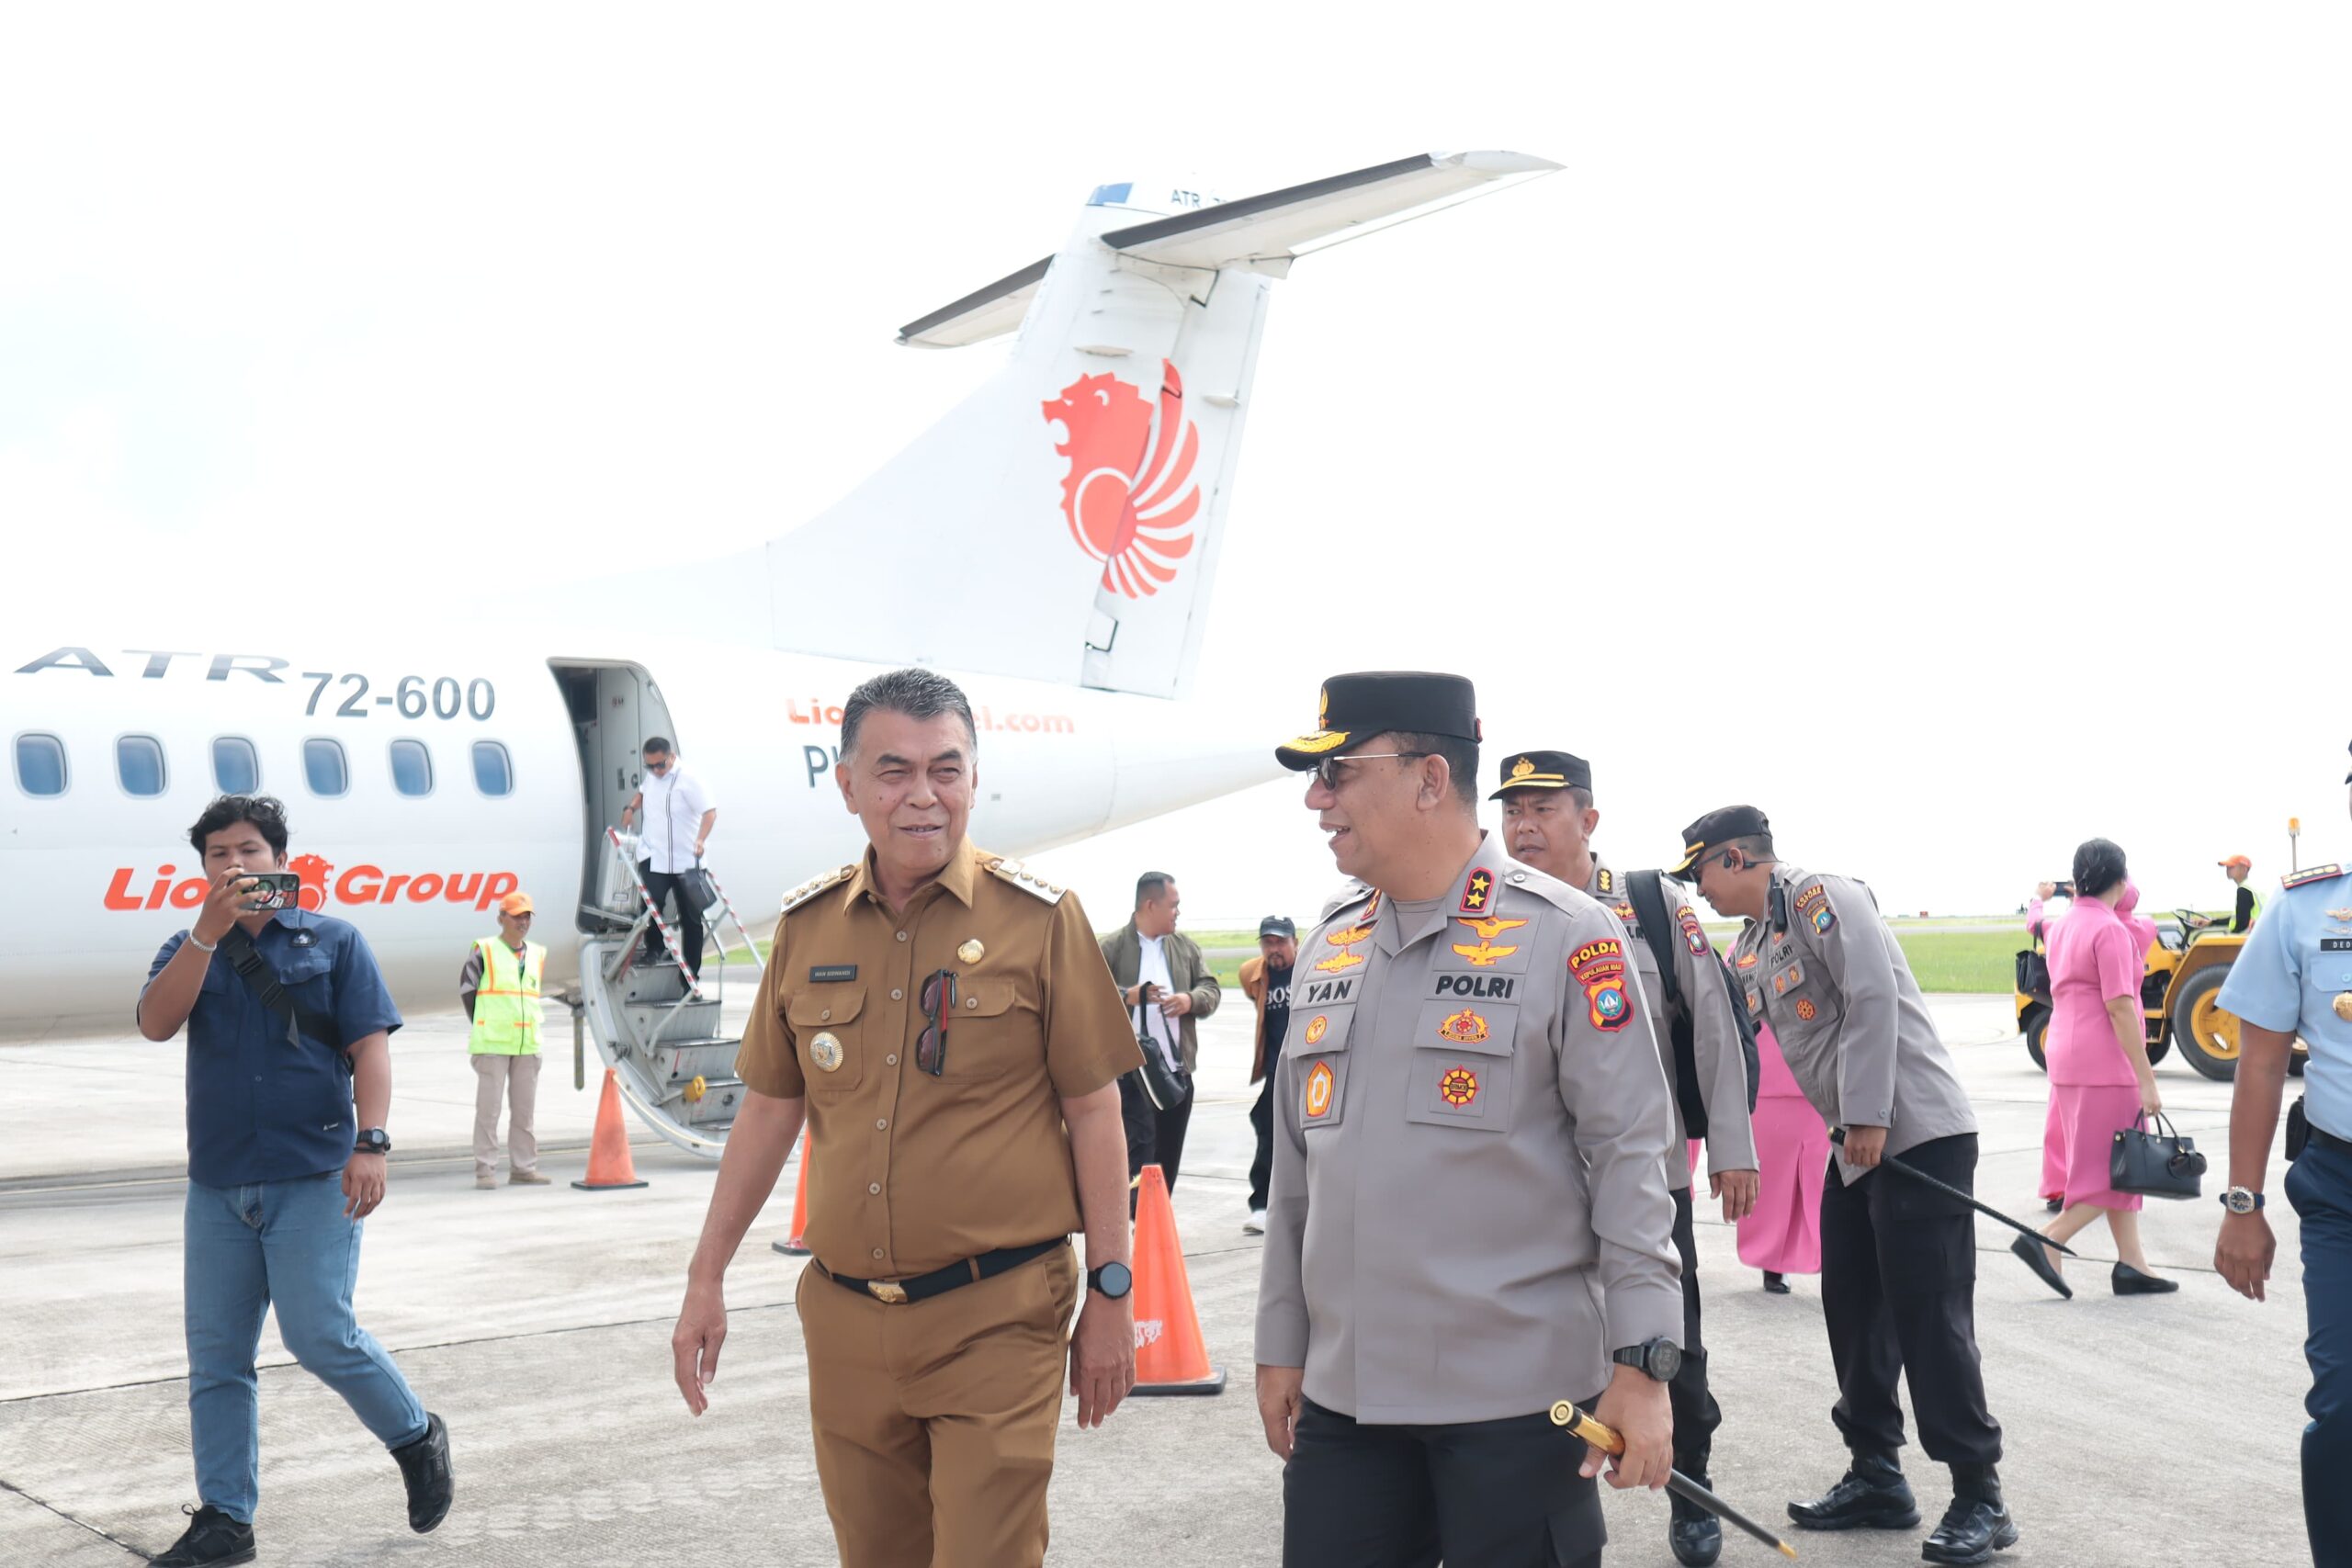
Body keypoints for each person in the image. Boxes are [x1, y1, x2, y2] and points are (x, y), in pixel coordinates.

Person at [668, 668, 1140, 1568]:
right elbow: (768, 1112)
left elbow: (1094, 1109)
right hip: (847, 1320)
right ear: (849, 785)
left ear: (973, 780)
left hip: (997, 1312)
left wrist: (1112, 1293)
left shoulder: (1040, 920)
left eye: (945, 769)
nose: (923, 795)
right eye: (894, 771)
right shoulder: (806, 928)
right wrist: (705, 1276)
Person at [1256, 673, 1684, 1568]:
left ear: (1428, 778)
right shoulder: (1332, 940)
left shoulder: (1567, 934)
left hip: (1517, 1408)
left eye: (1337, 772)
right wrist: (1280, 1344)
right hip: (1348, 1405)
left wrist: (1644, 1364)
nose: (1316, 799)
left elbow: (1631, 1159)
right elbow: (1296, 1172)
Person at [1677, 805, 2014, 1565]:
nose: (1700, 890)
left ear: (1735, 857)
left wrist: (1866, 1114)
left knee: (1929, 1317)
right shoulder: (1754, 943)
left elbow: (1872, 995)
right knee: (1854, 1307)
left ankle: (1980, 1494)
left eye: (1700, 872)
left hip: (1915, 1134)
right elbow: (1726, 1034)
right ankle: (1877, 1473)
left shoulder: (1821, 896)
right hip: (1857, 1149)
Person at [135, 795, 453, 1568]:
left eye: (249, 849)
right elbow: (154, 1022)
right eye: (218, 853)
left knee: (319, 1335)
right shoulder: (188, 944)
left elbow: (370, 1048)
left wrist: (372, 1142)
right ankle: (225, 1520)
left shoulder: (334, 940)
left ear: (281, 859)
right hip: (219, 1184)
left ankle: (415, 1435)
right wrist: (205, 935)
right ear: (203, 868)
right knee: (217, 1358)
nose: (234, 863)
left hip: (313, 1173)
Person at [1495, 748, 1757, 1568]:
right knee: (1534, 1343)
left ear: (1588, 819)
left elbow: (1712, 1025)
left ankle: (1692, 1488)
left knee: (1670, 1347)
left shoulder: (1649, 905)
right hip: (1536, 1179)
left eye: (1542, 809)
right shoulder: (1497, 915)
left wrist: (1732, 1147)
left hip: (1647, 1171)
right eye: (1512, 811)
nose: (1523, 826)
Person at [2212, 740, 2352, 1565]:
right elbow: (2260, 1066)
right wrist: (2243, 1204)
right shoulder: (2307, 908)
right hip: (2342, 1189)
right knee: (2344, 1407)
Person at [2011, 841, 2175, 1300]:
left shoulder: (2062, 926)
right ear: (2121, 881)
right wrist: (2146, 1078)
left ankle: (2132, 1264)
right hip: (2106, 1062)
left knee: (2120, 1160)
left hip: (2065, 1054)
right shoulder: (2111, 931)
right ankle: (2049, 1239)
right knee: (2114, 1168)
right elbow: (2120, 1008)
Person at [1100, 872, 1222, 1194]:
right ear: (1150, 905)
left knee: (1168, 1160)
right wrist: (1127, 996)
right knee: (1137, 1159)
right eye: (1173, 905)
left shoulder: (1185, 948)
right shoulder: (1111, 948)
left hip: (1175, 1074)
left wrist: (1190, 1000)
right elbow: (1086, 995)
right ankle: (1137, 1218)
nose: (1178, 912)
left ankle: (1156, 1218)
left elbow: (1210, 988)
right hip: (1130, 1077)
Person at [458, 891, 550, 1190]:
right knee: (489, 1111)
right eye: (517, 916)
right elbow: (467, 989)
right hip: (493, 1044)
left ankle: (523, 1168)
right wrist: (482, 1021)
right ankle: (485, 1170)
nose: (523, 922)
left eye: (527, 917)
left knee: (524, 1113)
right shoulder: (484, 951)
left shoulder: (536, 954)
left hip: (527, 1044)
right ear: (501, 918)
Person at [1738, 1019, 1828, 1295]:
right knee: (1771, 1174)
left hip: (1816, 1059)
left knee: (1819, 1176)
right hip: (1765, 1060)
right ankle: (1772, 1261)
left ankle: (1834, 1255)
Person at [618, 736, 717, 979]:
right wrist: (630, 809)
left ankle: (690, 976)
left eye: (660, 765)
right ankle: (655, 948)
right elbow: (642, 793)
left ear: (671, 757)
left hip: (686, 861)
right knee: (651, 906)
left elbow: (709, 813)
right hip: (656, 856)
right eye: (650, 766)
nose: (656, 771)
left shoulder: (689, 779)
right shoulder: (652, 777)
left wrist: (701, 839)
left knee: (691, 919)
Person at [1238, 914, 1297, 1235]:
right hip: (1277, 1070)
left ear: (1295, 943)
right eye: (1267, 943)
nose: (1274, 949)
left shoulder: (1310, 970)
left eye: (1280, 942)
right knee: (1267, 1132)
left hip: (1308, 1069)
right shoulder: (1256, 975)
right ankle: (1261, 1205)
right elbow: (1248, 979)